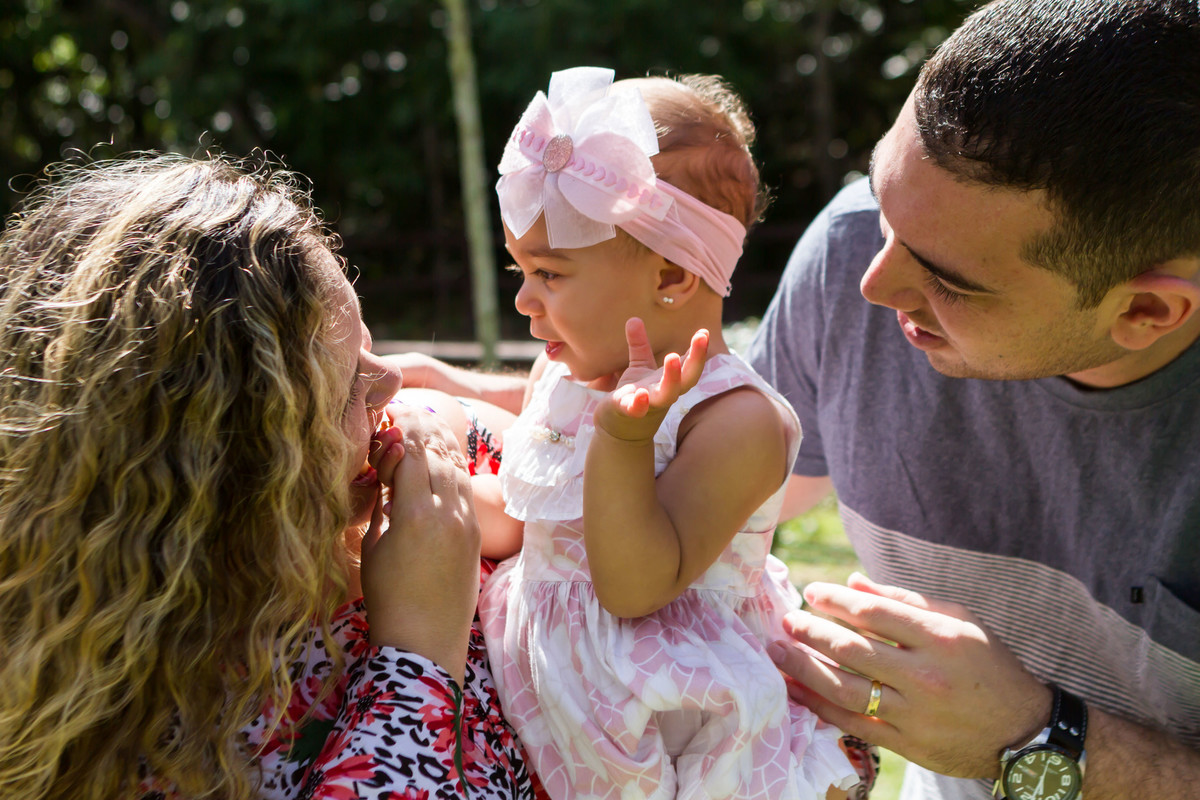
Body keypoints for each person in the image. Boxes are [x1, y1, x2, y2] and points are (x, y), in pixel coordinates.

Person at [744, 1, 1200, 798]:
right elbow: (742, 473)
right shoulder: (855, 249)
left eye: (949, 282)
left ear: (1146, 312)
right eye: (883, 208)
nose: (872, 285)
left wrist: (1036, 741)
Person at [0, 154, 537, 799]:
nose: (390, 380)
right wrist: (421, 654)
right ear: (227, 476)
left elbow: (606, 429)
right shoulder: (146, 739)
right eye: (344, 391)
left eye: (370, 342)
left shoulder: (408, 455)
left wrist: (467, 390)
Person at [404, 67, 864, 800]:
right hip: (551, 677)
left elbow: (634, 586)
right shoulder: (580, 371)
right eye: (518, 270)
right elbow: (536, 470)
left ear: (673, 278)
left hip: (656, 717)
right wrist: (445, 402)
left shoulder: (737, 419)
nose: (524, 300)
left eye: (550, 274)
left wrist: (621, 444)